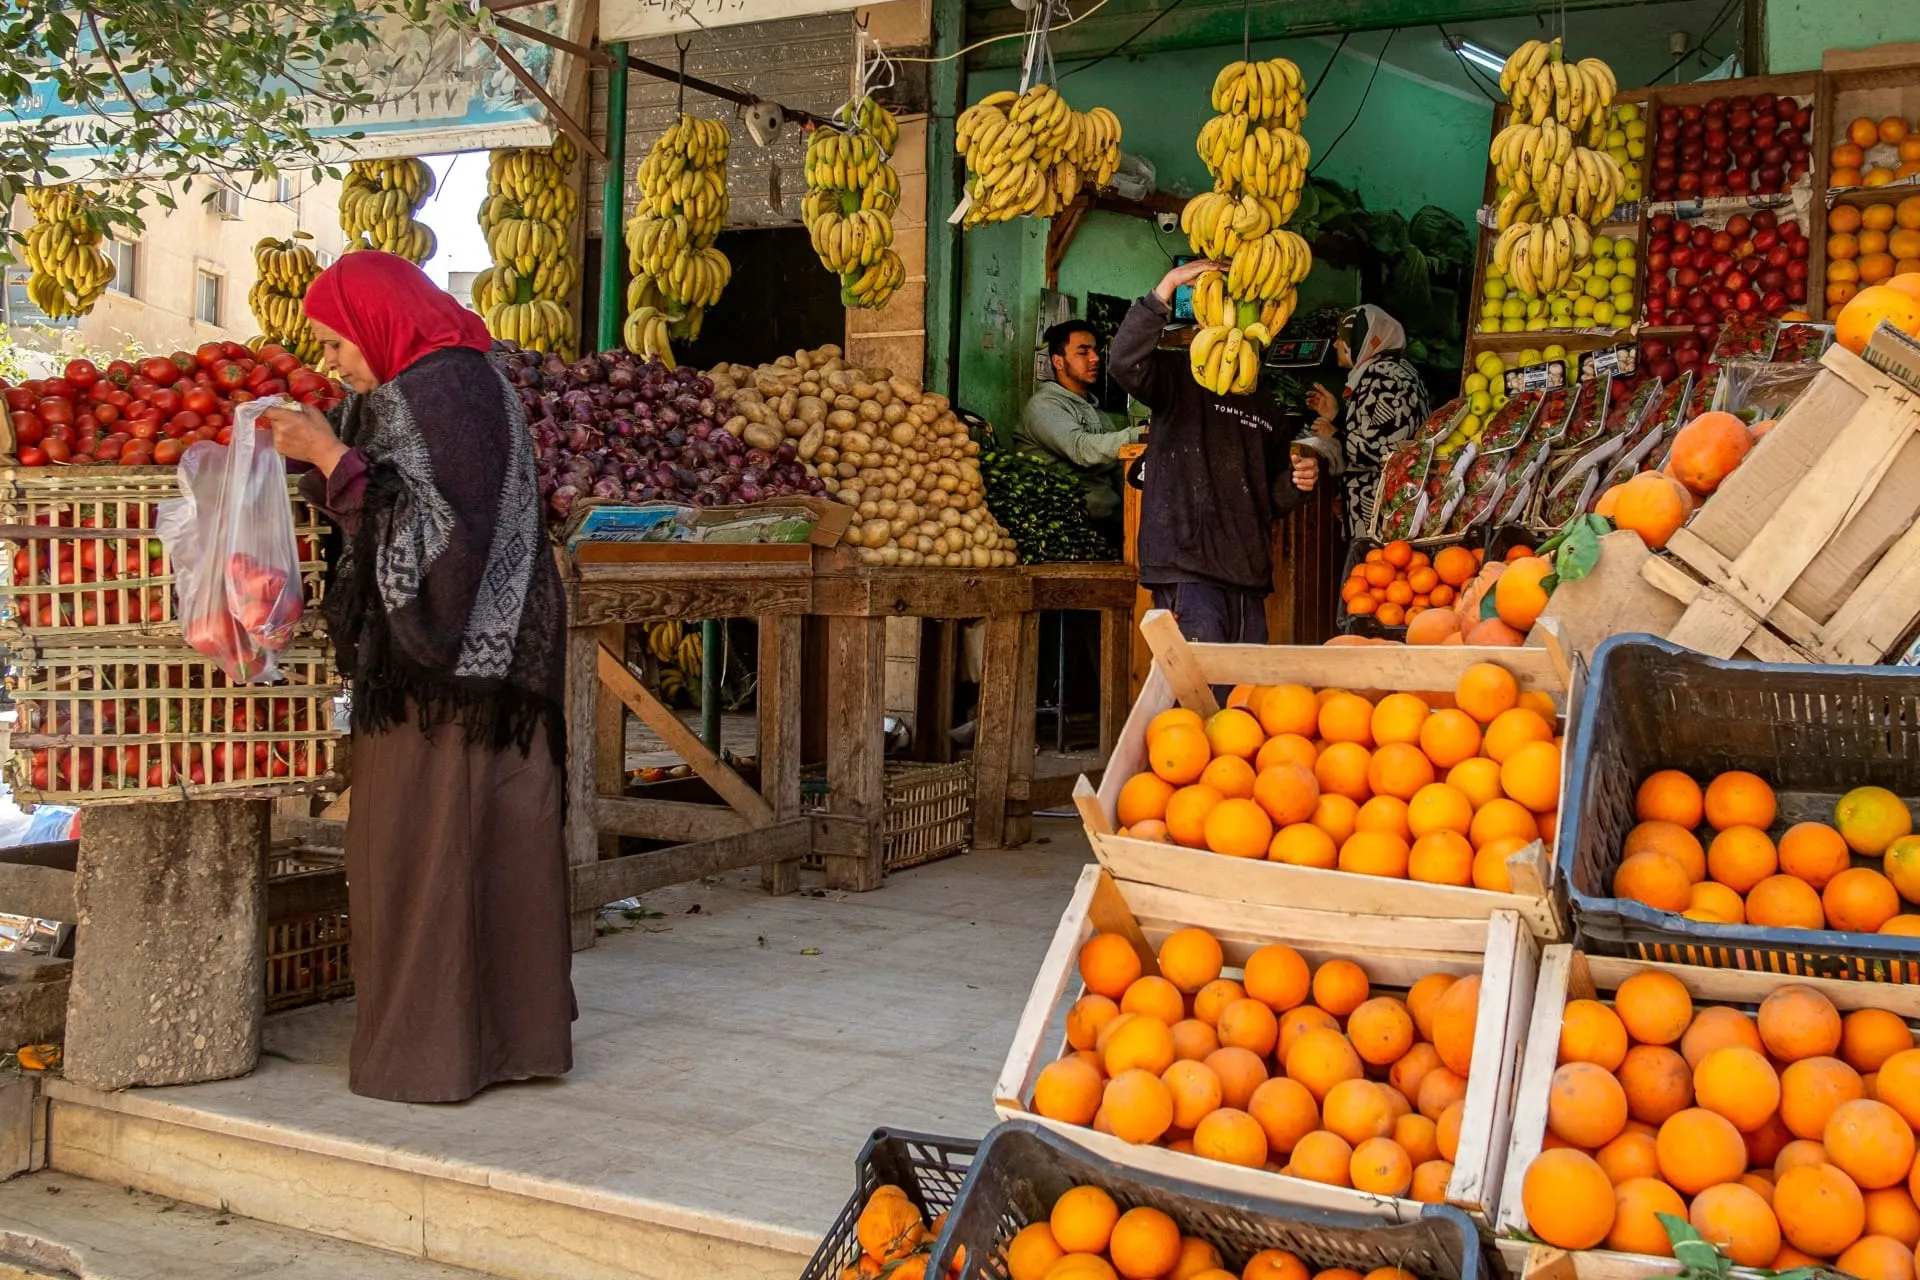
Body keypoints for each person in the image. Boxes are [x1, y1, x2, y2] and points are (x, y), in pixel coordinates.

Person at [261, 252, 574, 1104]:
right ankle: (498, 1043)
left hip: (456, 678)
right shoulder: (405, 390)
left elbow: (445, 540)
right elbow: (384, 483)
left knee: (427, 854)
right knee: (459, 849)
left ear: (381, 323)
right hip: (460, 676)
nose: (331, 361)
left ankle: (436, 1056)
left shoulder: (453, 390)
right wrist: (303, 449)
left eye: (337, 343)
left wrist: (331, 456)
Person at [1108, 259, 1323, 644]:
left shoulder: (1267, 406)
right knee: (1195, 681)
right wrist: (1167, 287)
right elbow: (1124, 362)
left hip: (1246, 575)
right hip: (1188, 571)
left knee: (1243, 683)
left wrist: (1298, 483)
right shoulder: (1179, 376)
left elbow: (1269, 498)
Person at [1307, 304, 1430, 540]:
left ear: (1361, 341)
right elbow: (1380, 431)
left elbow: (1378, 450)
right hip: (1385, 507)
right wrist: (1337, 417)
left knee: (1381, 563)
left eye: (1342, 339)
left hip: (1384, 513)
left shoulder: (1384, 378)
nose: (1335, 345)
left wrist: (1334, 435)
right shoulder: (1392, 371)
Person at [1017, 319, 1141, 522]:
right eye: (1083, 352)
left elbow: (1119, 469)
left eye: (1095, 351)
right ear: (1058, 362)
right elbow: (1081, 450)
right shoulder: (1043, 406)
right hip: (1064, 525)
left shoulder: (1096, 413)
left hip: (1109, 520)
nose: (1095, 358)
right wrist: (1140, 434)